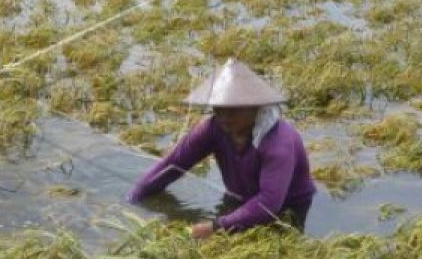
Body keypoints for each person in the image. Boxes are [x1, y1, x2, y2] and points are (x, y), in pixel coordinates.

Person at [125, 58, 316, 240]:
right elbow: (173, 164)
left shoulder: (278, 143)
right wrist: (135, 197)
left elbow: (268, 203)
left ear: (255, 107)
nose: (224, 117)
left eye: (232, 110)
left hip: (287, 208)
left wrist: (215, 227)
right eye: (218, 109)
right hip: (242, 200)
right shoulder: (213, 129)